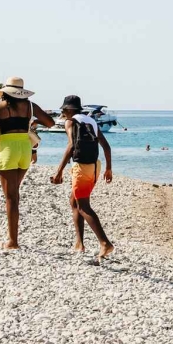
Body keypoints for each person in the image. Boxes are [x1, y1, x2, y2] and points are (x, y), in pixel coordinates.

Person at [0, 76, 54, 250]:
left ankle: (13, 241)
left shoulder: (1, 106)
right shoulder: (30, 106)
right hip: (25, 149)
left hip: (8, 150)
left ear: (6, 91)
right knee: (15, 194)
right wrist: (34, 122)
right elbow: (50, 123)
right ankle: (12, 238)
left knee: (11, 198)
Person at [50, 95, 114, 257]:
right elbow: (106, 146)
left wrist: (59, 171)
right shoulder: (91, 121)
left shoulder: (70, 122)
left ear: (70, 109)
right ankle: (79, 243)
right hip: (94, 166)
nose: (63, 112)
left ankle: (105, 243)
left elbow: (71, 145)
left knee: (83, 206)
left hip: (81, 166)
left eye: (64, 109)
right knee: (74, 201)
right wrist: (108, 169)